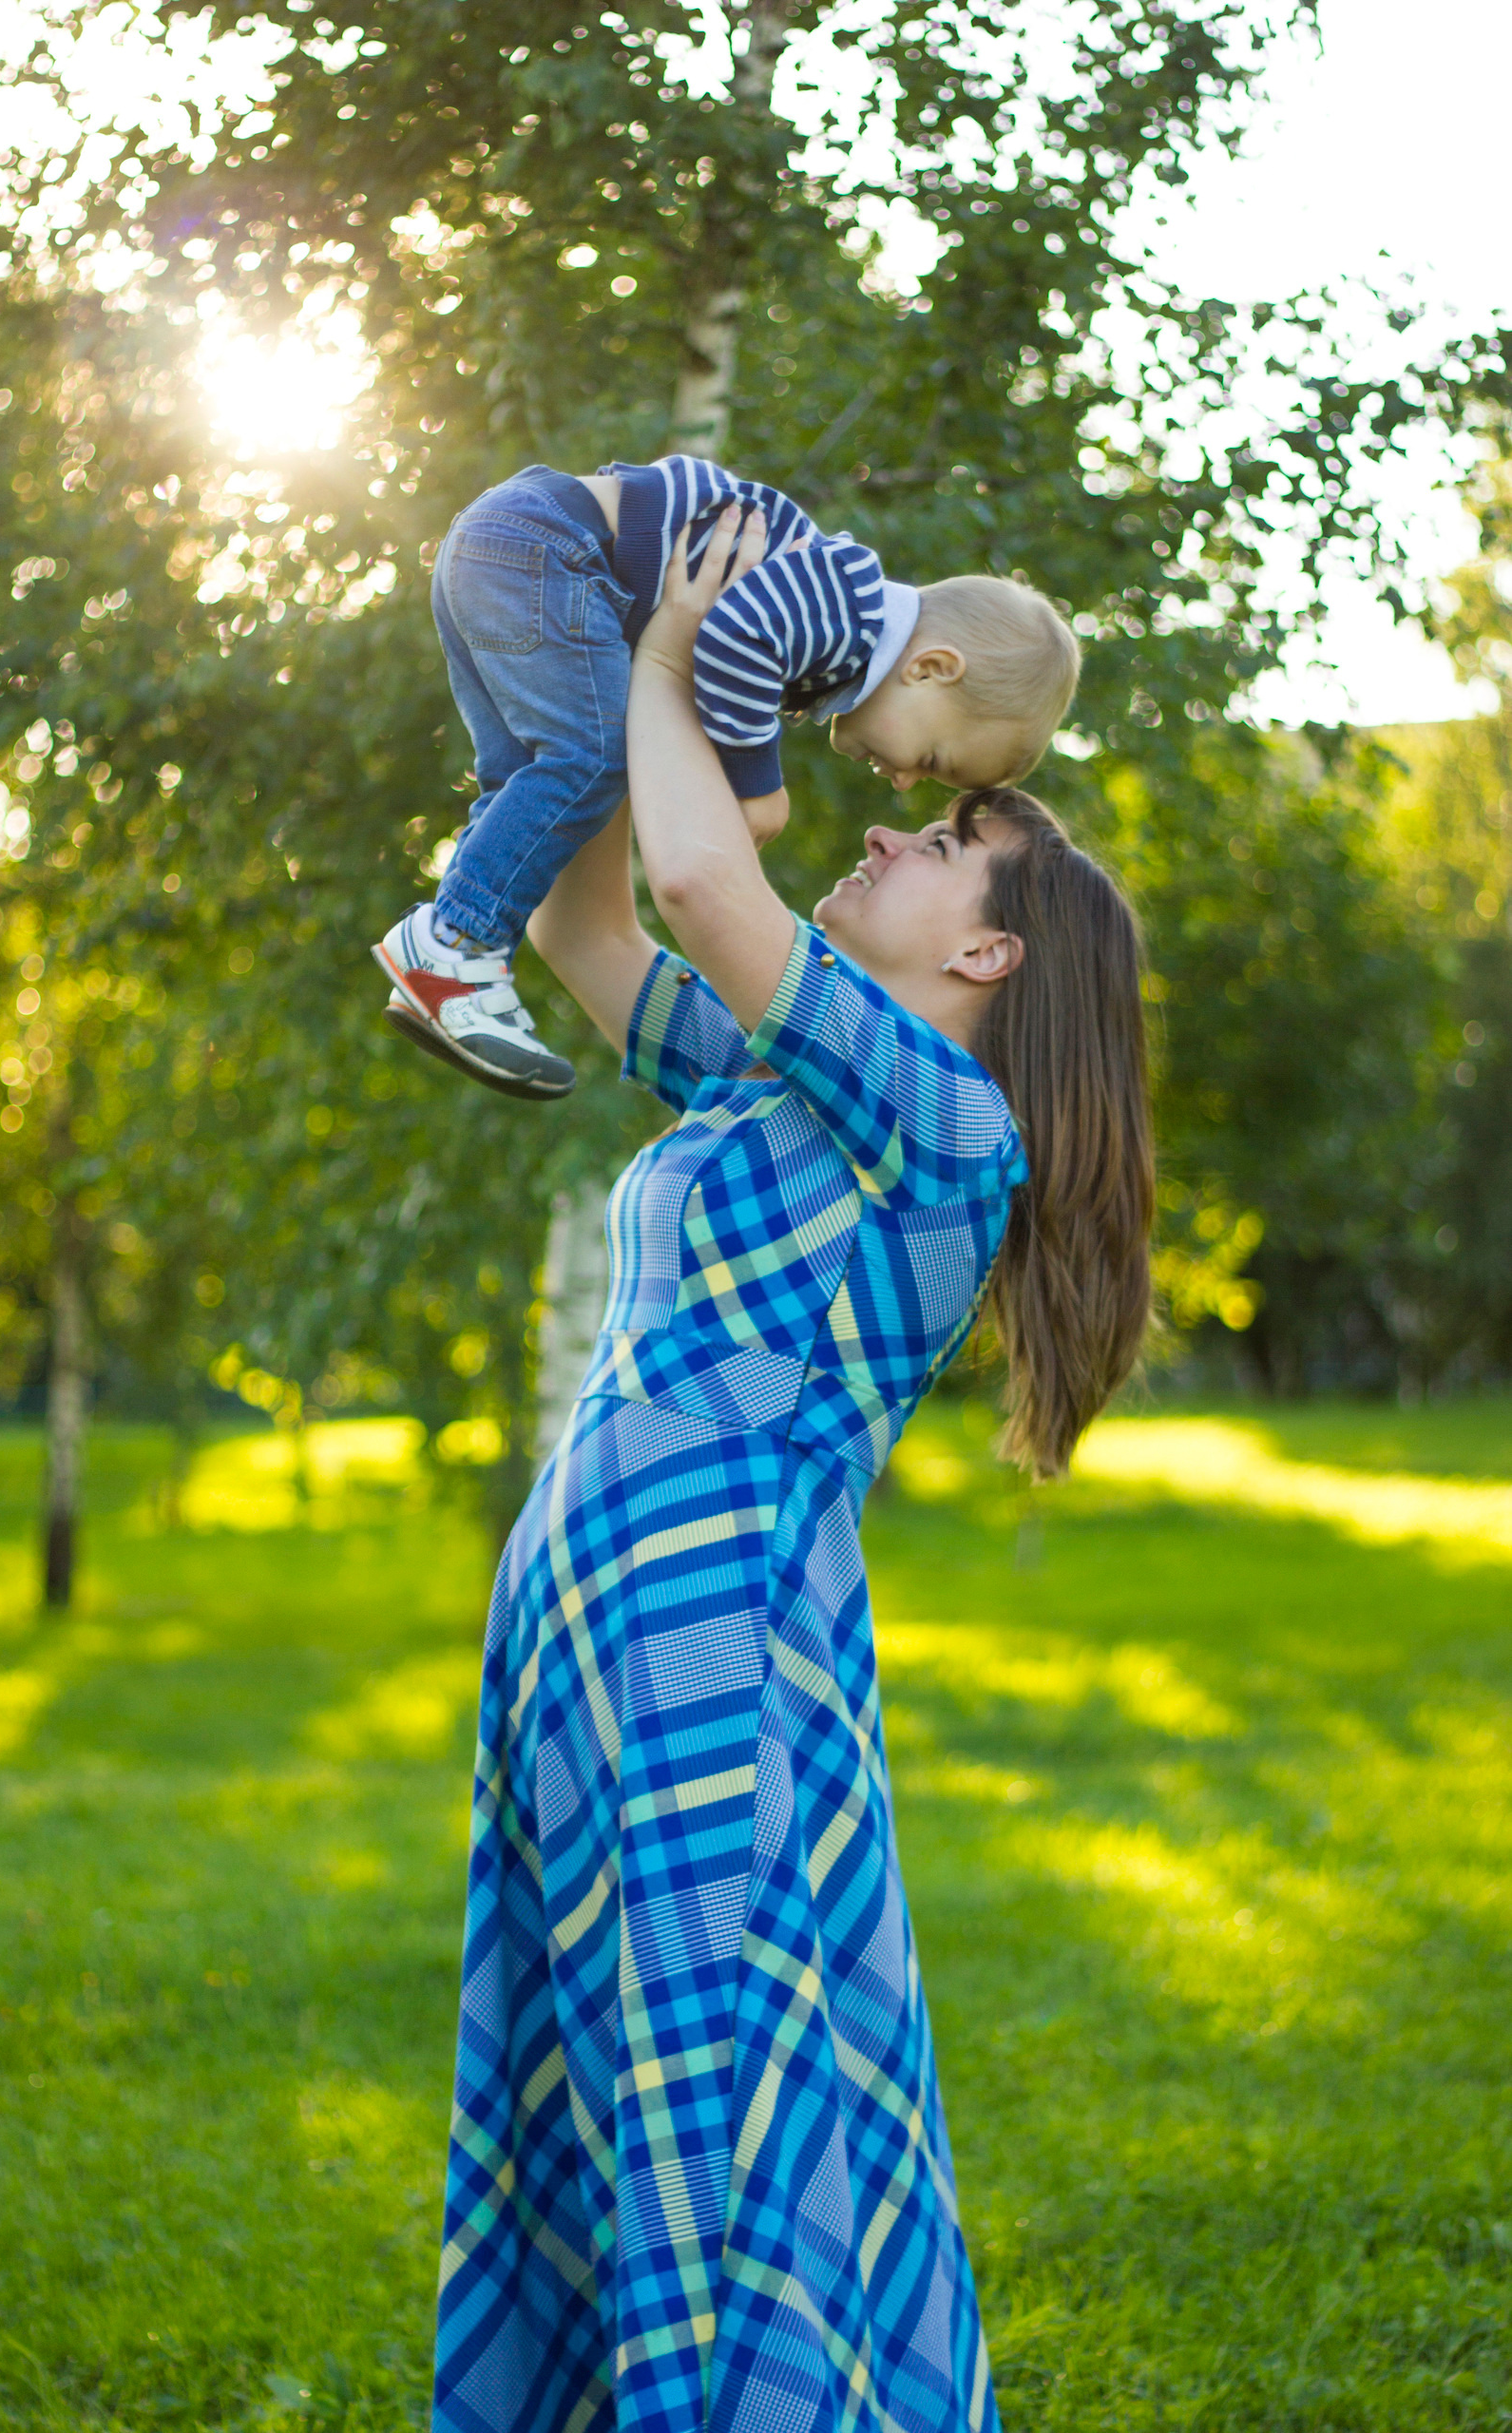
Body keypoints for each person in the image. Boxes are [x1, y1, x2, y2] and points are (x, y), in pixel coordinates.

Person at [429, 506, 1153, 2433]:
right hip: (603, 1634)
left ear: (987, 947)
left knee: (720, 2113)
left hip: (707, 1646)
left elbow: (687, 870)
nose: (889, 826)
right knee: (605, 2091)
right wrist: (575, 699)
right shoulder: (781, 1073)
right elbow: (588, 920)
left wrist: (675, 667)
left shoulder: (941, 1111)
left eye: (943, 841)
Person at [373, 456, 1080, 1100]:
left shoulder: (836, 619)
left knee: (526, 777)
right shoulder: (847, 606)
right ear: (930, 667)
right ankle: (456, 943)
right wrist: (754, 783)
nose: (897, 786)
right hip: (554, 551)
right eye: (928, 762)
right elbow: (736, 634)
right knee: (587, 758)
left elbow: (708, 654)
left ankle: (451, 948)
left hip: (520, 544)